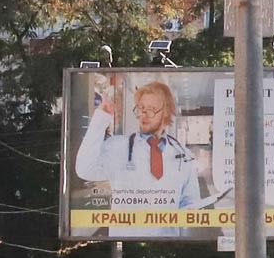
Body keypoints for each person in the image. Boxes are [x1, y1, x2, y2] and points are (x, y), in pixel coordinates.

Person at [74, 78, 200, 237]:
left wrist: (189, 211)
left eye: (151, 109)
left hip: (166, 245)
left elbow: (191, 202)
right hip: (125, 243)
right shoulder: (118, 147)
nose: (144, 115)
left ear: (166, 112)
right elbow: (85, 169)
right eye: (141, 109)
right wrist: (101, 119)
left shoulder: (184, 156)